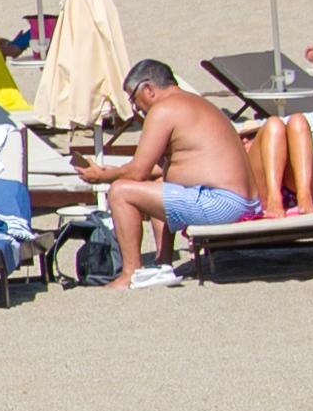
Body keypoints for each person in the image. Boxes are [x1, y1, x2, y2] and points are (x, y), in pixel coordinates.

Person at [84, 60, 256, 288]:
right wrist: (115, 171)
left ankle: (130, 274)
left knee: (121, 191)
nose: (136, 108)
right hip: (244, 202)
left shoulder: (164, 109)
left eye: (133, 99)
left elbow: (137, 171)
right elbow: (160, 167)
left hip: (221, 203)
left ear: (148, 89)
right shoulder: (196, 102)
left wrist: (103, 176)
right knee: (157, 183)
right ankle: (163, 262)